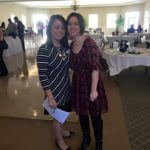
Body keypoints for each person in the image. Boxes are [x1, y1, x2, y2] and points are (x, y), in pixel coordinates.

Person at [67, 12, 108, 150]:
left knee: (95, 115)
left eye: (75, 23)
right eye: (69, 24)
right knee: (83, 114)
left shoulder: (88, 42)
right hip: (78, 83)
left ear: (81, 25)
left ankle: (99, 144)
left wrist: (93, 90)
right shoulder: (71, 45)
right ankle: (86, 138)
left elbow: (95, 68)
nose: (72, 26)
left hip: (92, 83)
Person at [37, 15, 73, 150]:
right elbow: (43, 76)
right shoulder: (44, 49)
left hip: (66, 88)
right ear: (50, 29)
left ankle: (62, 132)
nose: (60, 31)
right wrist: (50, 97)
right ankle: (59, 140)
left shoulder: (64, 47)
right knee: (57, 118)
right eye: (56, 27)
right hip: (54, 92)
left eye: (63, 28)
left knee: (63, 114)